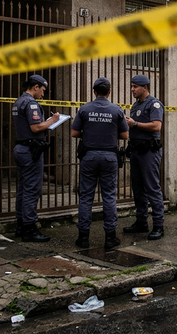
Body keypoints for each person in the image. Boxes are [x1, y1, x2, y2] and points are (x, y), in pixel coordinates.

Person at [70, 77, 129, 249]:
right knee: (109, 196)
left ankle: (83, 238)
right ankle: (110, 237)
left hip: (89, 156)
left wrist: (90, 134)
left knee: (86, 196)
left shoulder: (85, 109)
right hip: (110, 157)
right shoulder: (116, 110)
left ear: (94, 91)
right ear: (109, 92)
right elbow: (125, 136)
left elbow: (74, 133)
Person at [12, 74, 61, 242]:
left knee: (23, 189)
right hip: (30, 150)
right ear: (35, 87)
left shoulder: (18, 101)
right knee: (32, 189)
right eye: (43, 90)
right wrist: (53, 120)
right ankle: (29, 229)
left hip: (21, 148)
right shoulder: (31, 103)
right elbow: (36, 127)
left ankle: (21, 225)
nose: (43, 94)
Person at [122, 75, 165, 241]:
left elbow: (157, 125)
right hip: (136, 151)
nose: (132, 89)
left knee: (152, 188)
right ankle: (141, 222)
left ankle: (158, 226)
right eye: (131, 86)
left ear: (145, 87)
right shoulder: (136, 105)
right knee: (138, 189)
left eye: (135, 87)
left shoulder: (154, 103)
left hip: (149, 152)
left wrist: (135, 124)